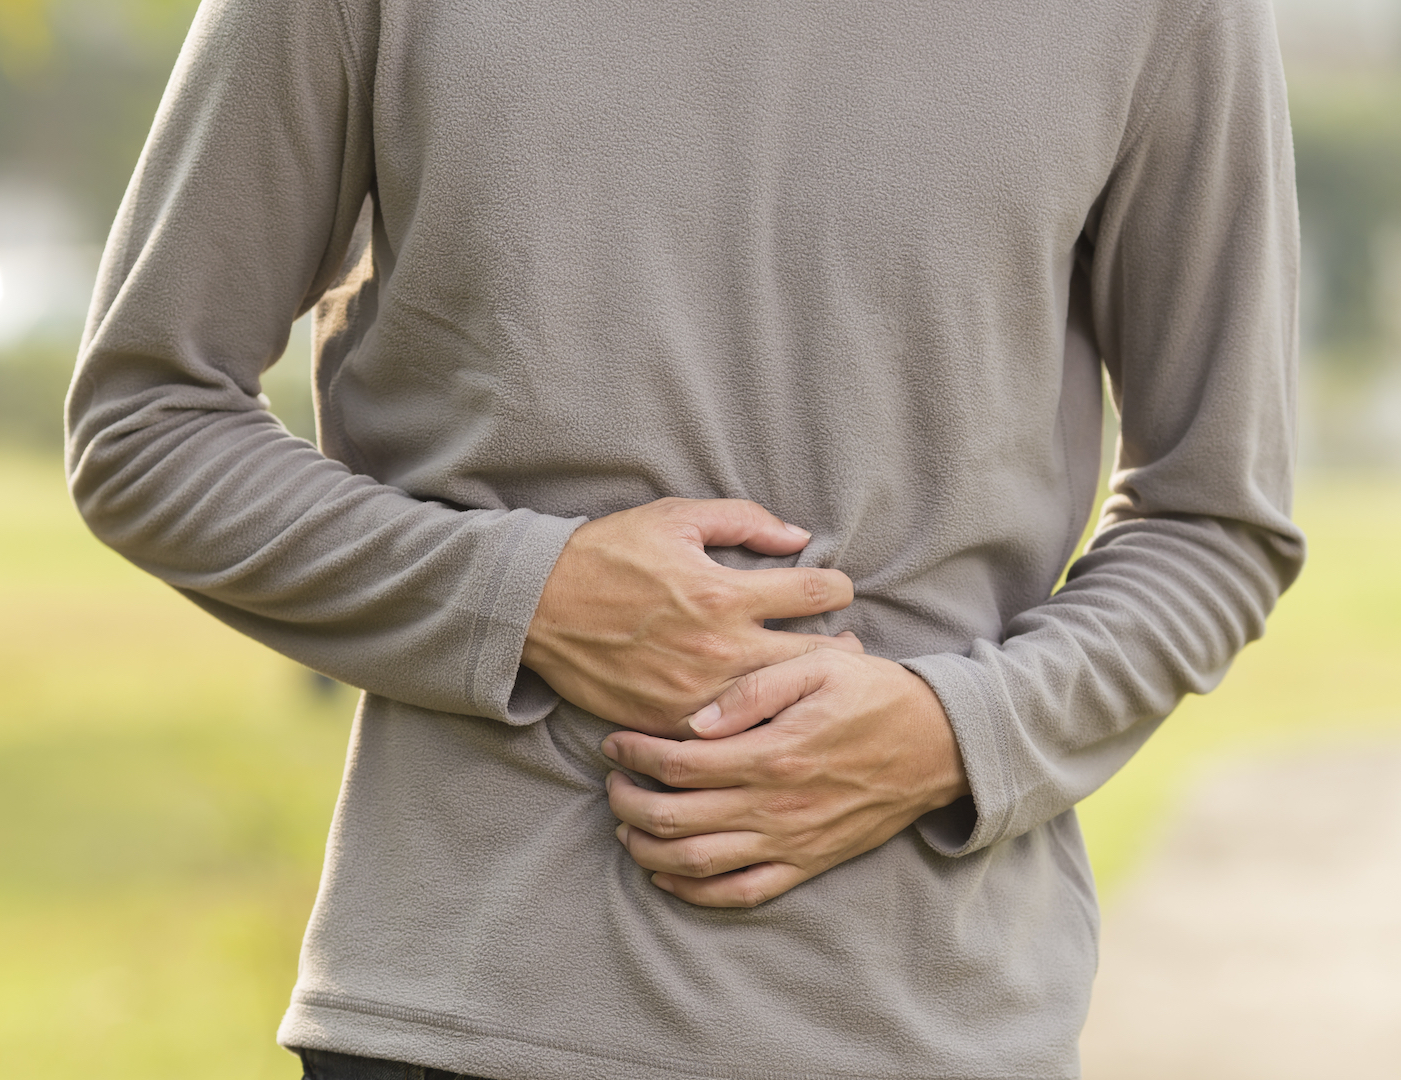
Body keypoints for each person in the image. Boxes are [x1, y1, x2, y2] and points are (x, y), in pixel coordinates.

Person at [65, 0, 1305, 1075]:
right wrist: (526, 597)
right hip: (468, 1018)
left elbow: (1215, 515)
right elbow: (146, 420)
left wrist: (960, 732)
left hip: (933, 1031)